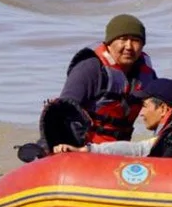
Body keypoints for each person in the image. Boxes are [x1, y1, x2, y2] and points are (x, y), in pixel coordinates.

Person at [58, 13, 157, 144]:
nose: (129, 46)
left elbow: (163, 105)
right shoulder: (90, 68)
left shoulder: (146, 73)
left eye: (135, 40)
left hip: (120, 149)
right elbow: (63, 110)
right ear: (109, 43)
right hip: (85, 147)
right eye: (123, 39)